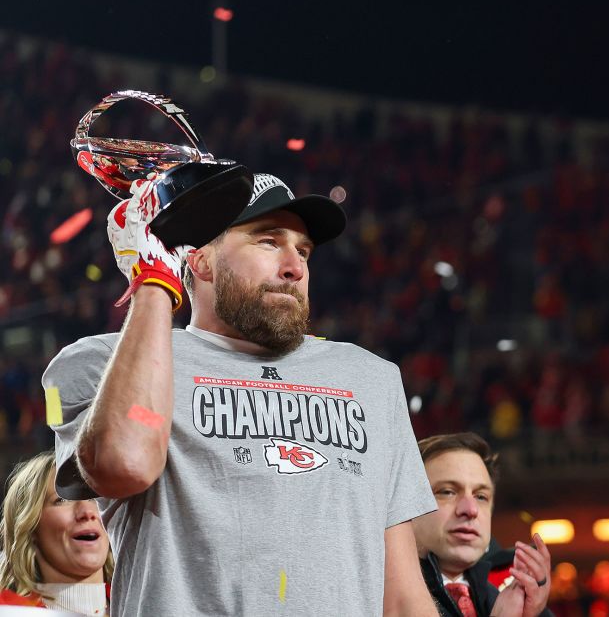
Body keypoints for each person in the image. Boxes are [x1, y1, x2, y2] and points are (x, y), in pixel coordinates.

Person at [42, 174, 438, 615]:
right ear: (200, 261)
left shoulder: (372, 378)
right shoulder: (106, 362)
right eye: (269, 242)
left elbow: (401, 593)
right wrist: (153, 282)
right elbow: (124, 464)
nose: (296, 267)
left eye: (303, 250)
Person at [413, 433, 553, 617]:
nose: (470, 509)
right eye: (447, 492)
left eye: (481, 497)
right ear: (404, 506)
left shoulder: (519, 597)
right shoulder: (375, 593)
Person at [1, 451, 112, 614]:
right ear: (30, 526)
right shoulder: (8, 611)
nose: (87, 512)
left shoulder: (145, 601)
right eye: (62, 500)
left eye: (95, 498)